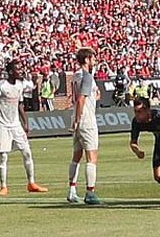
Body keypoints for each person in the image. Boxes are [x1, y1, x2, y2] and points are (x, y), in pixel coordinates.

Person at [0, 60, 48, 196]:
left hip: (16, 125)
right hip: (2, 125)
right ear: (11, 72)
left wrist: (25, 122)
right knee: (3, 156)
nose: (21, 70)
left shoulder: (19, 85)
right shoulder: (0, 86)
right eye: (18, 69)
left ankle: (31, 183)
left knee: (27, 152)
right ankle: (3, 186)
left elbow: (20, 105)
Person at [67, 47, 101, 205]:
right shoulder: (86, 76)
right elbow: (81, 99)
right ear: (87, 60)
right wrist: (79, 119)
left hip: (76, 117)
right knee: (91, 157)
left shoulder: (76, 76)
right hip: (86, 120)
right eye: (93, 58)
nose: (94, 61)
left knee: (76, 156)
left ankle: (72, 190)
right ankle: (90, 192)